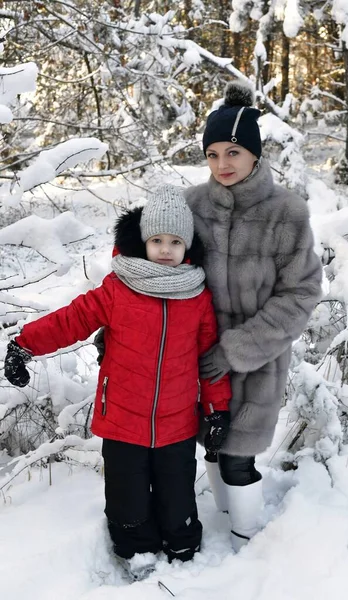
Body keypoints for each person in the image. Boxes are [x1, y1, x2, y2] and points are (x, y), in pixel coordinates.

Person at [3, 185, 231, 580]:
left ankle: (183, 550)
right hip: (124, 420)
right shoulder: (119, 288)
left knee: (177, 497)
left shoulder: (196, 296)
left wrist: (215, 412)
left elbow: (210, 362)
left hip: (176, 423)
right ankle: (137, 554)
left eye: (175, 241)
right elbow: (71, 319)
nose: (164, 249)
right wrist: (25, 345)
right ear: (142, 241)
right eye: (156, 240)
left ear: (188, 246)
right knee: (127, 499)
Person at [184, 80, 323, 552]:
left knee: (239, 454)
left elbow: (301, 291)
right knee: (210, 442)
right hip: (195, 355)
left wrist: (238, 348)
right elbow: (156, 270)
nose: (222, 165)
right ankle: (223, 517)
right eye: (213, 154)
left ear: (255, 156)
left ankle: (246, 542)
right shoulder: (190, 206)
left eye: (233, 153)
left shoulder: (286, 212)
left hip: (255, 360)